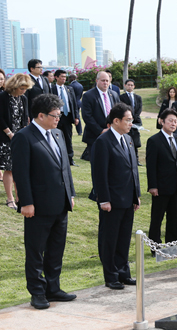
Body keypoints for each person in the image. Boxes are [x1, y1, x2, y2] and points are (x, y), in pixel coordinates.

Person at [12, 93, 76, 309]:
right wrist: (26, 202)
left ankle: (53, 288)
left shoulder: (57, 133)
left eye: (59, 114)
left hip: (61, 203)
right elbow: (21, 173)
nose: (58, 118)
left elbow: (64, 166)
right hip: (37, 206)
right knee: (36, 251)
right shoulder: (24, 137)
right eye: (55, 115)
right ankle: (37, 293)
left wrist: (71, 193)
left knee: (56, 249)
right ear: (40, 115)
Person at [90, 103, 141, 290]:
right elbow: (99, 174)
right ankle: (111, 276)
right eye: (128, 120)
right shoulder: (103, 142)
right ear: (116, 120)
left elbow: (133, 169)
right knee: (109, 239)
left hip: (128, 199)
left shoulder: (127, 139)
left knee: (124, 238)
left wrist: (136, 195)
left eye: (131, 120)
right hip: (111, 200)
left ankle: (123, 272)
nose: (130, 123)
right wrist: (104, 199)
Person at [146, 109, 177, 253]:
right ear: (162, 121)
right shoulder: (154, 140)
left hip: (176, 186)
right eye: (170, 121)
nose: (173, 124)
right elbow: (151, 165)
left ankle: (172, 245)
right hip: (160, 187)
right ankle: (155, 247)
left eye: (175, 121)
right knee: (157, 217)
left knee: (173, 217)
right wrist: (152, 186)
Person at [0, 73, 33, 210]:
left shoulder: (23, 98)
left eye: (25, 88)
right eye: (21, 88)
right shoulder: (2, 97)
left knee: (20, 168)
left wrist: (24, 132)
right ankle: (10, 198)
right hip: (5, 137)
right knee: (9, 169)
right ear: (15, 86)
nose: (24, 91)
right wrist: (9, 133)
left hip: (19, 137)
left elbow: (25, 117)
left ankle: (20, 197)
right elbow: (0, 117)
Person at [81, 71, 120, 157]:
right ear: (97, 81)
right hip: (95, 136)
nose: (105, 83)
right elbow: (87, 116)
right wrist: (100, 131)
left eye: (107, 80)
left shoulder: (114, 95)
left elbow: (118, 113)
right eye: (103, 80)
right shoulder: (88, 95)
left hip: (113, 134)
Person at [52, 70, 79, 166]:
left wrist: (76, 116)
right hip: (57, 116)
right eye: (62, 76)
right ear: (56, 77)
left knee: (68, 137)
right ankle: (58, 157)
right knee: (56, 137)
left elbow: (74, 103)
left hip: (68, 116)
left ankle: (70, 158)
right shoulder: (52, 88)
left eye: (65, 77)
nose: (64, 78)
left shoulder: (69, 89)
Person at [120, 79, 143, 165]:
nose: (130, 86)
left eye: (131, 85)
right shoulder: (121, 97)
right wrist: (128, 118)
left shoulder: (138, 97)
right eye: (128, 85)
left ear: (134, 86)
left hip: (136, 122)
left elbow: (139, 108)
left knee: (135, 142)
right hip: (126, 121)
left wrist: (134, 117)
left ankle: (136, 160)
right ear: (125, 86)